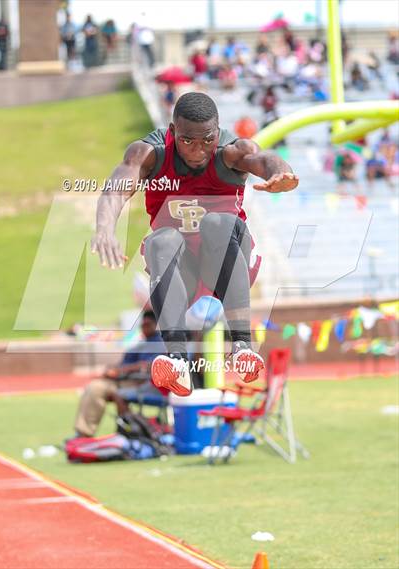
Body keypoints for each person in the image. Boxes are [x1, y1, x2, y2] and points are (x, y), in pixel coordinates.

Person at [91, 92, 298, 397]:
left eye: (207, 140)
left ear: (217, 132)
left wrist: (280, 171)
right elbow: (117, 186)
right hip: (181, 271)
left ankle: (242, 346)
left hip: (228, 261)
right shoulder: (150, 153)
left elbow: (263, 158)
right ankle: (176, 359)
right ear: (173, 133)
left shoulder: (230, 151)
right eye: (188, 141)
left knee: (217, 223)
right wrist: (105, 228)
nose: (198, 150)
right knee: (161, 240)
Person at [73, 310, 166, 438]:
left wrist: (121, 370)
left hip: (142, 383)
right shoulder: (140, 345)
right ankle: (83, 434)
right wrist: (112, 370)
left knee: (103, 390)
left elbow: (149, 365)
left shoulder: (160, 343)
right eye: (142, 325)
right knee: (94, 386)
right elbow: (123, 364)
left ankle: (128, 432)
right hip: (123, 381)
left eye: (148, 324)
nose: (144, 328)